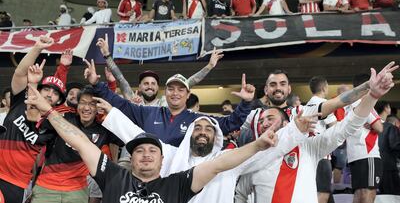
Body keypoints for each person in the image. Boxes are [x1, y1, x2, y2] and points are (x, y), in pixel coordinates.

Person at [25, 82, 290, 203]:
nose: (146, 155)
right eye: (139, 150)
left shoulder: (176, 185)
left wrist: (257, 145)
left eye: (153, 150)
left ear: (164, 160)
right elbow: (80, 141)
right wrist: (47, 110)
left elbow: (220, 164)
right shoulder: (115, 176)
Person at [97, 96, 318, 203]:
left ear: (216, 137)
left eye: (208, 130)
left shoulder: (228, 160)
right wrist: (112, 114)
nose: (203, 132)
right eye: (198, 128)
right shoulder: (171, 154)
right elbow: (136, 136)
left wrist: (294, 131)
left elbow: (263, 151)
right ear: (191, 133)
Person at [234, 62, 397, 203]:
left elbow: (344, 117)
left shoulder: (303, 119)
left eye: (282, 84)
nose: (265, 123)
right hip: (260, 161)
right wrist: (244, 103)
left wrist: (371, 90)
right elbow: (231, 132)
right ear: (266, 89)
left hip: (310, 159)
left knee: (323, 194)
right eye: (273, 84)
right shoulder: (253, 126)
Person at [85, 52, 254, 146]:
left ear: (188, 95)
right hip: (147, 176)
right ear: (165, 93)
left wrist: (246, 103)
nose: (175, 93)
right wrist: (96, 84)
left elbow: (230, 123)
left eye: (181, 90)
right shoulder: (147, 113)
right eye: (171, 89)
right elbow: (120, 103)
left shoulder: (197, 120)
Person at [0, 36, 66, 203]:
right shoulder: (19, 101)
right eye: (47, 90)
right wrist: (37, 47)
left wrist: (35, 87)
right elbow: (20, 73)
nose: (50, 94)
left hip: (16, 183)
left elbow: (33, 116)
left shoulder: (52, 124)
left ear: (59, 101)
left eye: (55, 93)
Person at [31, 86, 123, 203]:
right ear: (77, 106)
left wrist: (110, 113)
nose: (86, 107)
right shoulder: (64, 118)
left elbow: (124, 137)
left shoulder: (103, 129)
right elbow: (36, 120)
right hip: (46, 187)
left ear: (98, 107)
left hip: (77, 190)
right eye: (82, 103)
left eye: (92, 104)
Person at [98, 34, 224, 106]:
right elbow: (121, 79)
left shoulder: (164, 102)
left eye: (153, 84)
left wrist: (209, 66)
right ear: (140, 87)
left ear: (158, 88)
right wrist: (107, 56)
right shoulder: (133, 100)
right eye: (146, 83)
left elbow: (190, 81)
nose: (150, 86)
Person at [346, 73, 385, 203]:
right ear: (368, 86)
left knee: (359, 193)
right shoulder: (366, 102)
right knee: (369, 192)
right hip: (368, 153)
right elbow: (379, 127)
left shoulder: (348, 106)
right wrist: (372, 124)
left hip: (354, 155)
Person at [306, 76, 337, 203]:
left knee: (322, 193)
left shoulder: (305, 106)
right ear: (324, 87)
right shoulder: (324, 105)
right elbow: (335, 129)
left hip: (307, 156)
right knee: (322, 193)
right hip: (322, 155)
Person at [378, 114, 400, 195]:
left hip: (378, 166)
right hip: (389, 166)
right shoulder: (392, 127)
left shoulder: (378, 128)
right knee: (392, 194)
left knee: (383, 194)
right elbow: (395, 145)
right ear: (396, 123)